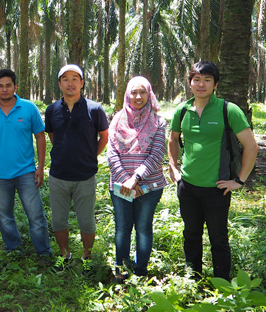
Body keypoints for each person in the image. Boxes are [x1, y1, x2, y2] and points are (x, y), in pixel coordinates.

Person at [168, 61, 259, 280]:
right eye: (197, 79)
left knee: (218, 238)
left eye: (207, 80)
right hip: (187, 187)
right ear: (190, 83)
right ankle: (194, 280)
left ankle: (222, 284)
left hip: (217, 189)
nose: (201, 84)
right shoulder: (182, 110)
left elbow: (251, 146)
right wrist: (173, 167)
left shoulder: (228, 110)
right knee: (191, 235)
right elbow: (172, 139)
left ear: (215, 84)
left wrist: (239, 180)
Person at [0, 69, 52, 259]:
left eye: (8, 85)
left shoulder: (28, 108)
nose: (4, 89)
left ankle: (43, 252)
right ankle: (13, 250)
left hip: (26, 172)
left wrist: (41, 167)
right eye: (0, 86)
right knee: (5, 216)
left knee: (36, 215)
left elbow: (40, 137)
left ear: (15, 87)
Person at [45, 64, 109, 273]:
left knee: (87, 222)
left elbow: (104, 136)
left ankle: (87, 256)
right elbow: (53, 136)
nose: (70, 83)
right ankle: (65, 255)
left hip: (85, 176)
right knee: (58, 220)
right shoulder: (52, 109)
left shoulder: (94, 109)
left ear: (82, 83)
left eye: (75, 79)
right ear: (59, 84)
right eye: (65, 79)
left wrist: (90, 155)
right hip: (58, 175)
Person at [108, 76, 167, 282]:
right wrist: (126, 179)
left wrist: (137, 179)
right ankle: (121, 271)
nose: (138, 96)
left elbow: (157, 153)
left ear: (149, 93)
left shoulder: (158, 122)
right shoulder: (117, 119)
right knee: (122, 229)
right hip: (121, 185)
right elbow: (111, 153)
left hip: (149, 186)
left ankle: (140, 272)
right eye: (134, 92)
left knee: (143, 228)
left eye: (142, 92)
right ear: (127, 94)